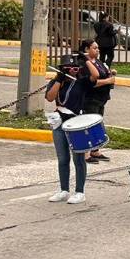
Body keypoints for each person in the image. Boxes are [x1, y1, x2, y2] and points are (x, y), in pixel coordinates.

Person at [45, 52, 88, 204]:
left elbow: (94, 76)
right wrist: (59, 79)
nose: (71, 71)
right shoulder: (58, 80)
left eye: (74, 68)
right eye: (68, 68)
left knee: (78, 158)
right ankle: (64, 190)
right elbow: (50, 97)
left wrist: (86, 61)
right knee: (63, 158)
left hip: (76, 122)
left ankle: (80, 191)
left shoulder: (82, 81)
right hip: (59, 122)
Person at [79, 39, 115, 163]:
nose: (98, 50)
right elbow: (90, 83)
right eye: (95, 48)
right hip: (90, 99)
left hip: (101, 99)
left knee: (97, 125)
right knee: (89, 125)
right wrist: (108, 81)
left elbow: (104, 73)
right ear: (86, 49)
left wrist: (111, 74)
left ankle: (95, 150)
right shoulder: (83, 63)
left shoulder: (98, 61)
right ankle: (86, 154)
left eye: (98, 48)